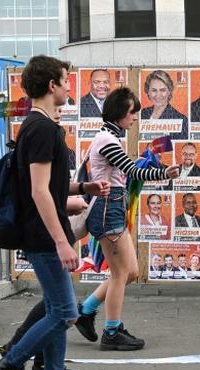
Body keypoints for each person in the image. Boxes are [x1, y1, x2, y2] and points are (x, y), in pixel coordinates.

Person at [0, 55, 109, 370]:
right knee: (66, 313)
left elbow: (48, 185)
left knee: (55, 310)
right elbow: (38, 193)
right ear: (51, 86)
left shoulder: (36, 127)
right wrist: (62, 242)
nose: (69, 87)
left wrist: (84, 186)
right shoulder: (43, 129)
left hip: (44, 234)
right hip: (45, 237)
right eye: (65, 81)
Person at [75, 87, 181, 352]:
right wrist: (164, 173)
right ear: (121, 113)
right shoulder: (108, 141)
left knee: (130, 272)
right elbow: (132, 170)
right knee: (121, 273)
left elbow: (128, 170)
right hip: (107, 211)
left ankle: (86, 312)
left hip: (112, 209)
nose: (135, 118)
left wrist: (160, 170)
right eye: (133, 112)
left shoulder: (109, 137)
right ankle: (111, 332)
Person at [140, 70, 188, 140]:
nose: (158, 95)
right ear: (148, 92)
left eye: (162, 90)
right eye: (154, 90)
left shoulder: (182, 120)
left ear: (169, 91)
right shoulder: (143, 113)